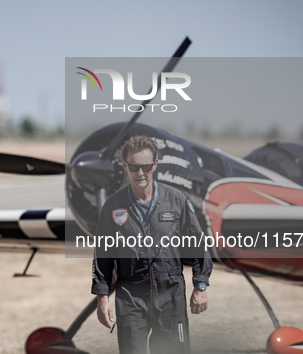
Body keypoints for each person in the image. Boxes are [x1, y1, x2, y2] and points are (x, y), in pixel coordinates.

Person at [91, 135, 213, 354]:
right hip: (130, 296)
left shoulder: (176, 200)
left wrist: (200, 285)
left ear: (155, 164)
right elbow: (103, 255)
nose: (140, 173)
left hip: (170, 295)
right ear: (124, 164)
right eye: (134, 167)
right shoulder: (112, 206)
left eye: (146, 166)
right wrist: (102, 298)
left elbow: (198, 243)